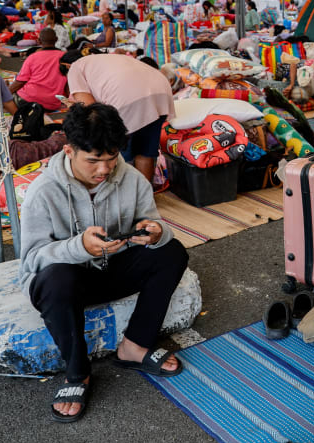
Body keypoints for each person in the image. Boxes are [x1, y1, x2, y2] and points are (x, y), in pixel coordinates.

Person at [19, 102, 188, 423]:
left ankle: (135, 347)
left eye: (111, 159)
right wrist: (78, 247)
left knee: (172, 251)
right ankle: (77, 373)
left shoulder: (133, 179)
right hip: (67, 285)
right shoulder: (43, 192)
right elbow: (31, 260)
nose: (103, 170)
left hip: (113, 270)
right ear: (69, 150)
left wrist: (154, 233)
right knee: (57, 278)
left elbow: (152, 221)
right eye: (93, 160)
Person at [61, 48, 175, 182]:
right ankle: (145, 196)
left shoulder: (75, 68)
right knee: (146, 152)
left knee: (117, 153)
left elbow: (90, 110)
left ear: (67, 66)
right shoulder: (105, 59)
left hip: (127, 98)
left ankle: (122, 196)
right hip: (161, 90)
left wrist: (73, 108)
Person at [9, 27, 67, 111]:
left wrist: (5, 93)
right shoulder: (64, 57)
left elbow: (20, 82)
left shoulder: (32, 57)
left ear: (39, 41)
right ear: (56, 39)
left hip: (29, 101)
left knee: (6, 98)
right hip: (52, 104)